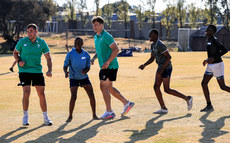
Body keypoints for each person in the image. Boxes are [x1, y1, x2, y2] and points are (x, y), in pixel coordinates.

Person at [139, 29, 193, 114]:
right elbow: (152, 58)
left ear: (156, 35)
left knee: (167, 89)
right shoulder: (153, 45)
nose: (149, 36)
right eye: (149, 34)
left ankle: (187, 98)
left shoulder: (160, 45)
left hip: (166, 68)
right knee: (156, 87)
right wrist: (144, 65)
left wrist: (162, 69)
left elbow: (168, 57)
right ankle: (163, 108)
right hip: (160, 68)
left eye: (151, 34)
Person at [91, 16, 134, 119]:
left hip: (110, 66)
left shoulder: (106, 36)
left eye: (96, 25)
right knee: (109, 88)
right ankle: (126, 103)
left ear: (102, 25)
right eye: (93, 25)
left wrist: (108, 62)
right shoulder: (96, 37)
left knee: (103, 86)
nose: (94, 27)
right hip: (105, 66)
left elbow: (116, 49)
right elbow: (100, 50)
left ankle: (109, 111)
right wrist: (93, 58)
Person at [13, 23, 53, 126]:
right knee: (26, 92)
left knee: (41, 94)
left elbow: (48, 58)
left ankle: (45, 118)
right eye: (28, 31)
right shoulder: (22, 42)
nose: (29, 33)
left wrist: (49, 70)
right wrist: (19, 61)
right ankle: (25, 117)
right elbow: (15, 53)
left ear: (36, 32)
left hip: (37, 71)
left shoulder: (42, 43)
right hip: (24, 71)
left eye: (31, 31)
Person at [63, 37, 99, 122]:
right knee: (73, 96)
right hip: (73, 78)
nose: (77, 44)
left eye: (79, 42)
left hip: (84, 78)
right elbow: (65, 65)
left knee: (91, 94)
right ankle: (70, 116)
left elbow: (88, 66)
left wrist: (85, 70)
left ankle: (94, 115)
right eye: (76, 42)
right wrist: (65, 72)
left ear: (82, 44)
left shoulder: (86, 54)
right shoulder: (70, 54)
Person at [201, 24, 229, 112]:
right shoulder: (208, 40)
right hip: (210, 66)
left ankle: (209, 105)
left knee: (223, 87)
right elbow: (211, 54)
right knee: (203, 83)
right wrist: (207, 60)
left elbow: (225, 50)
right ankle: (209, 106)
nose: (206, 30)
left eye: (208, 29)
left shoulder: (214, 40)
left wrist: (214, 58)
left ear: (212, 32)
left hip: (217, 65)